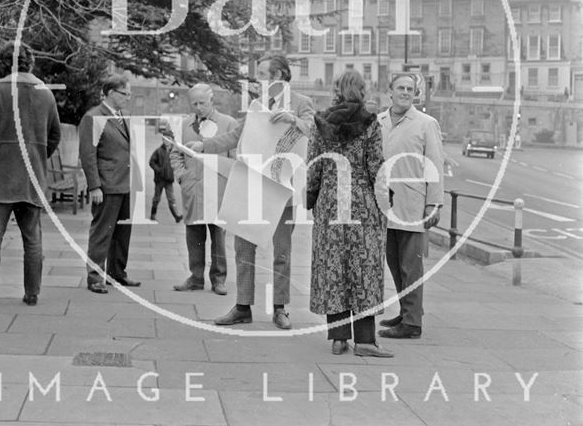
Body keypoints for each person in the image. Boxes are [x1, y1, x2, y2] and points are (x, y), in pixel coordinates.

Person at [188, 55, 314, 329]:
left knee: (282, 251)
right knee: (243, 247)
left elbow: (315, 132)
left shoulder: (302, 103)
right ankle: (243, 306)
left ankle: (280, 308)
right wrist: (204, 146)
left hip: (284, 190)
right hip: (253, 188)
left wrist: (294, 120)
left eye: (264, 75)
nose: (259, 81)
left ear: (280, 75)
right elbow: (236, 137)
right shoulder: (258, 105)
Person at [0, 43, 61, 308]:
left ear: (5, 63)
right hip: (32, 177)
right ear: (30, 62)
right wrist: (37, 157)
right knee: (33, 239)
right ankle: (32, 293)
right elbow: (55, 135)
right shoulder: (46, 93)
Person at [306, 71, 393, 357]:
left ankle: (339, 338)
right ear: (362, 91)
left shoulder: (321, 124)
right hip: (361, 201)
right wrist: (384, 202)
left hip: (331, 201)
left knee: (334, 268)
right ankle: (366, 341)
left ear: (337, 91)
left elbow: (314, 167)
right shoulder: (371, 124)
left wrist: (311, 198)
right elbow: (376, 168)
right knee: (364, 267)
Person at [376, 74, 444, 339]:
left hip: (412, 205)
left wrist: (434, 204)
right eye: (400, 88)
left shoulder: (426, 124)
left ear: (415, 94)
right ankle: (407, 311)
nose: (405, 92)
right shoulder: (378, 121)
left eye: (410, 89)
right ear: (389, 91)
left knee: (410, 266)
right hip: (384, 205)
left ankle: (413, 323)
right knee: (394, 262)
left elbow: (435, 165)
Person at [170, 84, 238, 295]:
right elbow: (175, 154)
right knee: (194, 234)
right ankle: (196, 277)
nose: (198, 107)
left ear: (212, 100)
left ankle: (218, 279)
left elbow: (235, 158)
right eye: (195, 103)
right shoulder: (183, 125)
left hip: (218, 188)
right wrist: (182, 177)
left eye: (202, 103)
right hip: (193, 187)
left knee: (218, 235)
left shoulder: (228, 124)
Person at [79, 74, 140, 293]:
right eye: (125, 94)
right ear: (111, 93)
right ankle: (95, 277)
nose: (128, 98)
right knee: (102, 232)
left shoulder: (121, 115)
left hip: (124, 183)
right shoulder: (93, 117)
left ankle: (117, 273)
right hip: (106, 185)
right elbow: (88, 154)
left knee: (122, 232)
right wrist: (94, 186)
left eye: (130, 94)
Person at [149, 137, 182, 223]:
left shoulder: (173, 152)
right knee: (157, 198)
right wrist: (158, 170)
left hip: (169, 180)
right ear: (163, 141)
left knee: (171, 198)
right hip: (159, 180)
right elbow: (151, 162)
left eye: (169, 140)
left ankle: (176, 216)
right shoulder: (159, 151)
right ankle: (153, 215)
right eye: (166, 140)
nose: (168, 142)